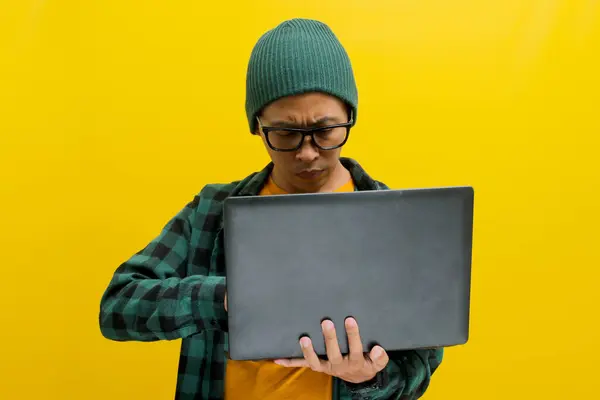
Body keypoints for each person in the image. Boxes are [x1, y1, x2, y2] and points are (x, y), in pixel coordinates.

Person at [99, 18, 443, 400]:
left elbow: (420, 365)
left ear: (350, 117)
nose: (308, 151)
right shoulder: (211, 213)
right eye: (286, 133)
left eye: (325, 130)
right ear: (257, 127)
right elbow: (118, 306)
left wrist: (367, 378)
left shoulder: (393, 221)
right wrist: (225, 299)